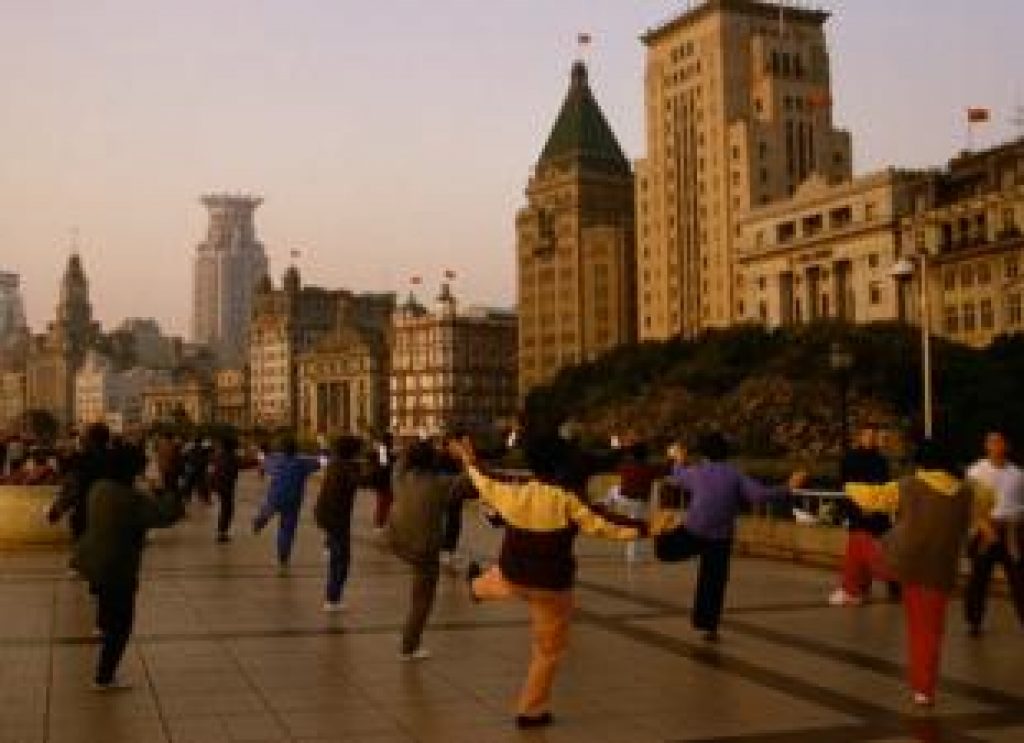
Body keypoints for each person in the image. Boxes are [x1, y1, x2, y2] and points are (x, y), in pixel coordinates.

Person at [449, 433, 652, 730]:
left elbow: (484, 480)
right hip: (551, 585)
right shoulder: (567, 499)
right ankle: (531, 711)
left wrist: (470, 460)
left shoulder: (514, 490)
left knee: (500, 578)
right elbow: (606, 525)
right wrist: (650, 527)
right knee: (547, 651)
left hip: (515, 573)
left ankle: (476, 588)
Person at [846, 438, 992, 707]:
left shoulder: (909, 485)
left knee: (859, 541)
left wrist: (848, 485)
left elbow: (871, 498)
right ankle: (924, 691)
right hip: (938, 571)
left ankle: (851, 590)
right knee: (927, 633)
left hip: (899, 561)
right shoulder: (969, 492)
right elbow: (988, 498)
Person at [657, 432, 806, 642]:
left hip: (695, 530)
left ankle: (659, 537)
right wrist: (788, 487)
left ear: (704, 453)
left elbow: (678, 476)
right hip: (720, 536)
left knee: (665, 550)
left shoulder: (697, 472)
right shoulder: (735, 475)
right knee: (713, 581)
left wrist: (678, 459)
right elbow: (759, 495)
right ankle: (708, 625)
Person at [74, 441, 182, 689]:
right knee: (122, 625)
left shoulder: (99, 488)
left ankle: (102, 630)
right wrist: (164, 488)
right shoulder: (130, 498)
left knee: (108, 610)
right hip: (118, 568)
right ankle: (104, 677)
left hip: (94, 562)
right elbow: (165, 516)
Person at [386, 440, 463, 660]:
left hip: (397, 541)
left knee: (419, 586)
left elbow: (401, 461)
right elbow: (474, 481)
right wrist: (465, 455)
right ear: (434, 460)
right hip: (423, 549)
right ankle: (409, 647)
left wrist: (411, 451)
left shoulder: (399, 477)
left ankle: (410, 644)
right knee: (422, 599)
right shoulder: (441, 483)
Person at [829, 426, 899, 607]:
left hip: (877, 513)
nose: (871, 439)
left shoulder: (881, 460)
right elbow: (846, 484)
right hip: (859, 513)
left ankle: (892, 586)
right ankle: (861, 588)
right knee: (864, 552)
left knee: (878, 551)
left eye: (873, 436)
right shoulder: (850, 459)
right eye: (867, 435)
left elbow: (885, 484)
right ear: (860, 437)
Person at [964, 429, 1024, 636]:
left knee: (1019, 578)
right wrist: (984, 527)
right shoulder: (975, 471)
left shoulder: (1018, 474)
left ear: (1007, 445)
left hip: (1011, 531)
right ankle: (974, 621)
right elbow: (970, 504)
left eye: (999, 441)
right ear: (986, 445)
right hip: (985, 529)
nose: (995, 445)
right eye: (991, 441)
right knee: (978, 579)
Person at [48, 423, 112, 563]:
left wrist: (58, 509)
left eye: (85, 436)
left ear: (90, 440)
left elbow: (73, 488)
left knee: (84, 548)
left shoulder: (82, 461)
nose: (82, 439)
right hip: (109, 513)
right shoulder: (115, 459)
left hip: (86, 512)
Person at [253, 437, 320, 571]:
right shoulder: (303, 462)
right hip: (293, 500)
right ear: (296, 449)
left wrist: (269, 458)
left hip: (275, 496)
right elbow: (317, 464)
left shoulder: (275, 460)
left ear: (282, 449)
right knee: (287, 529)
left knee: (267, 509)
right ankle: (283, 558)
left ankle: (261, 520)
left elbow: (265, 465)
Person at [313, 436, 364, 612]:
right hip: (337, 519)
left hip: (326, 515)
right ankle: (332, 599)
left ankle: (329, 546)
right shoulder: (347, 468)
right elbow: (364, 481)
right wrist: (381, 459)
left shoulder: (335, 464)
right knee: (342, 560)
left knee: (338, 555)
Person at [209, 435, 242, 543]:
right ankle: (222, 532)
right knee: (227, 508)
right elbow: (233, 471)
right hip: (226, 485)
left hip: (220, 484)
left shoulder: (219, 455)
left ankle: (222, 531)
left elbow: (214, 470)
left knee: (225, 507)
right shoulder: (231, 456)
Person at [371, 433, 396, 533]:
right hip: (384, 481)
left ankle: (381, 522)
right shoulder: (382, 451)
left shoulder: (384, 450)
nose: (392, 442)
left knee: (385, 502)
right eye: (391, 440)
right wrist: (392, 460)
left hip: (384, 481)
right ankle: (379, 523)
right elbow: (384, 466)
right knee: (382, 502)